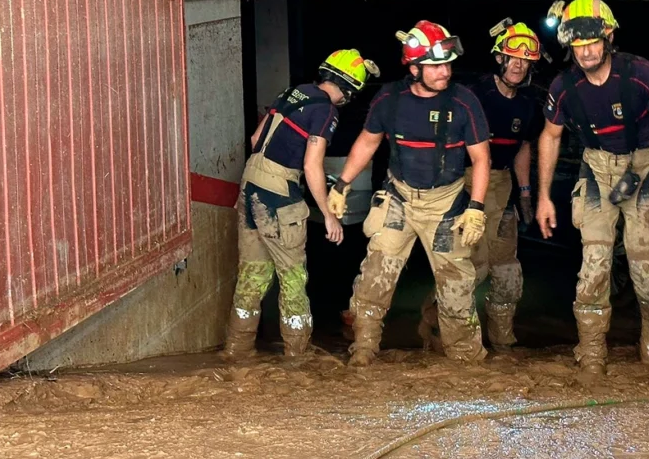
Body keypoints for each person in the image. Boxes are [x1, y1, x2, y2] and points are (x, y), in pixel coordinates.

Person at [328, 20, 491, 367]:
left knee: (457, 288)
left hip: (446, 204)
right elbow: (368, 142)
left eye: (447, 63)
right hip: (399, 198)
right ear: (414, 68)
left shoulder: (464, 102)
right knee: (375, 276)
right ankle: (363, 352)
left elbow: (481, 158)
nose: (445, 71)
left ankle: (465, 360)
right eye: (435, 66)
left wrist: (475, 207)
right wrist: (341, 184)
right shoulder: (389, 98)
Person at [536, 0, 649, 375]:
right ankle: (592, 355)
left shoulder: (640, 74)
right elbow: (549, 138)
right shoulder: (565, 86)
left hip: (645, 167)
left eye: (592, 43)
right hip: (598, 172)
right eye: (578, 45)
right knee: (594, 266)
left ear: (609, 37)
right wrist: (543, 198)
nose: (586, 53)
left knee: (647, 272)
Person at [221, 49, 380, 360]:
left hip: (250, 186)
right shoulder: (325, 111)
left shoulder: (292, 92)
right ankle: (299, 357)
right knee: (293, 276)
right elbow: (312, 165)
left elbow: (255, 139)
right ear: (349, 89)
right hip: (279, 196)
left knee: (252, 276)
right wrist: (328, 215)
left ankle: (237, 352)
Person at [417, 19, 546, 354]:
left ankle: (502, 343)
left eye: (525, 59)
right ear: (499, 58)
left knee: (506, 269)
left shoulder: (528, 104)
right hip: (467, 181)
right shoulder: (472, 94)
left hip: (502, 184)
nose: (518, 64)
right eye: (511, 56)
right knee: (466, 265)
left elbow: (522, 147)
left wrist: (527, 193)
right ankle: (434, 328)